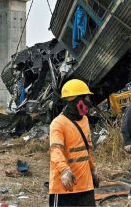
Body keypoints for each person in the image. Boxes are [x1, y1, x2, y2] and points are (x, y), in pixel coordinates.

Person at [49, 79, 98, 207]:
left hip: (85, 186)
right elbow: (55, 151)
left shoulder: (85, 120)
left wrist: (92, 170)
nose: (89, 102)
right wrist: (65, 171)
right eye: (86, 98)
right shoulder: (58, 123)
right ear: (78, 101)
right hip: (64, 186)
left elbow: (88, 150)